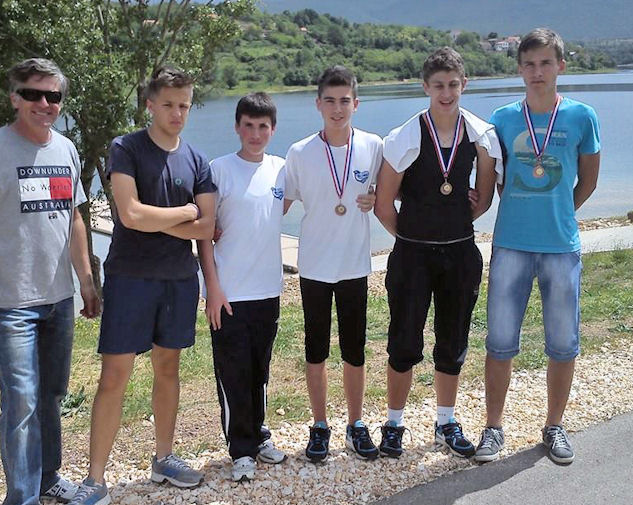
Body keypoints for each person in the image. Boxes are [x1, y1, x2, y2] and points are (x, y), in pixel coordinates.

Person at [59, 66, 216, 505]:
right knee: (114, 377)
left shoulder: (197, 160)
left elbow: (207, 227)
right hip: (130, 277)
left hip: (178, 279)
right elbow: (129, 215)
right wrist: (184, 211)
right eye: (168, 104)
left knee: (168, 369)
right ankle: (95, 480)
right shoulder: (125, 148)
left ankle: (164, 458)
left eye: (184, 105)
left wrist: (162, 219)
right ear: (149, 104)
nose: (177, 113)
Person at [0, 58, 101, 505]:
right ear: (14, 97)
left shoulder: (66, 149)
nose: (45, 104)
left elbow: (74, 218)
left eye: (53, 96)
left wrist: (86, 280)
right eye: (33, 94)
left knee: (52, 395)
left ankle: (48, 477)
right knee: (21, 403)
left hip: (58, 299)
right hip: (9, 302)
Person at [474, 28, 601, 465]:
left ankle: (554, 426)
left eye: (546, 63)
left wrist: (558, 211)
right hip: (510, 244)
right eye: (529, 64)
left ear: (560, 66)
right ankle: (493, 428)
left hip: (561, 247)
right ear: (519, 69)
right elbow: (493, 181)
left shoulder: (582, 117)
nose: (537, 72)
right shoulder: (502, 119)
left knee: (563, 343)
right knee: (499, 342)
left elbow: (588, 181)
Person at [374, 47, 500, 460]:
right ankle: (394, 424)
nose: (446, 93)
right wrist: (412, 236)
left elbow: (483, 199)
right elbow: (383, 205)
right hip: (412, 257)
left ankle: (446, 422)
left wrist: (452, 224)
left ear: (464, 85)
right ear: (425, 87)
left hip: (459, 253)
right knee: (403, 341)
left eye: (453, 85)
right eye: (438, 86)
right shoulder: (404, 137)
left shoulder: (481, 135)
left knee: (453, 341)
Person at [283, 65, 382, 463]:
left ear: (356, 104)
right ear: (318, 104)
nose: (337, 109)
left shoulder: (373, 145)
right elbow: (280, 204)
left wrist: (376, 197)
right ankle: (320, 425)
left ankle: (356, 424)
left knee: (354, 349)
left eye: (344, 101)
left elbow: (388, 189)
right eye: (330, 101)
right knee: (316, 350)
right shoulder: (299, 152)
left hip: (354, 265)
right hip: (315, 267)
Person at [197, 92, 287, 482]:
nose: (255, 134)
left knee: (260, 370)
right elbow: (204, 234)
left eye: (262, 126)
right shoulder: (219, 170)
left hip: (267, 289)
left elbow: (277, 209)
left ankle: (259, 434)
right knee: (233, 372)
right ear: (237, 127)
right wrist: (212, 288)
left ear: (273, 129)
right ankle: (241, 449)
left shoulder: (282, 170)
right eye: (248, 126)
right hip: (229, 293)